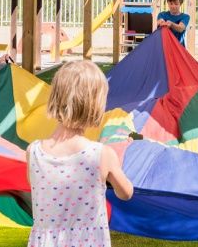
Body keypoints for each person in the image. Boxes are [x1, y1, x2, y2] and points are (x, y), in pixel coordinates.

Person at [26, 60, 133, 247]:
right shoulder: (102, 154)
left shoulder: (34, 152)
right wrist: (118, 158)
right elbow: (126, 193)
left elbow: (39, 187)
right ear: (95, 105)